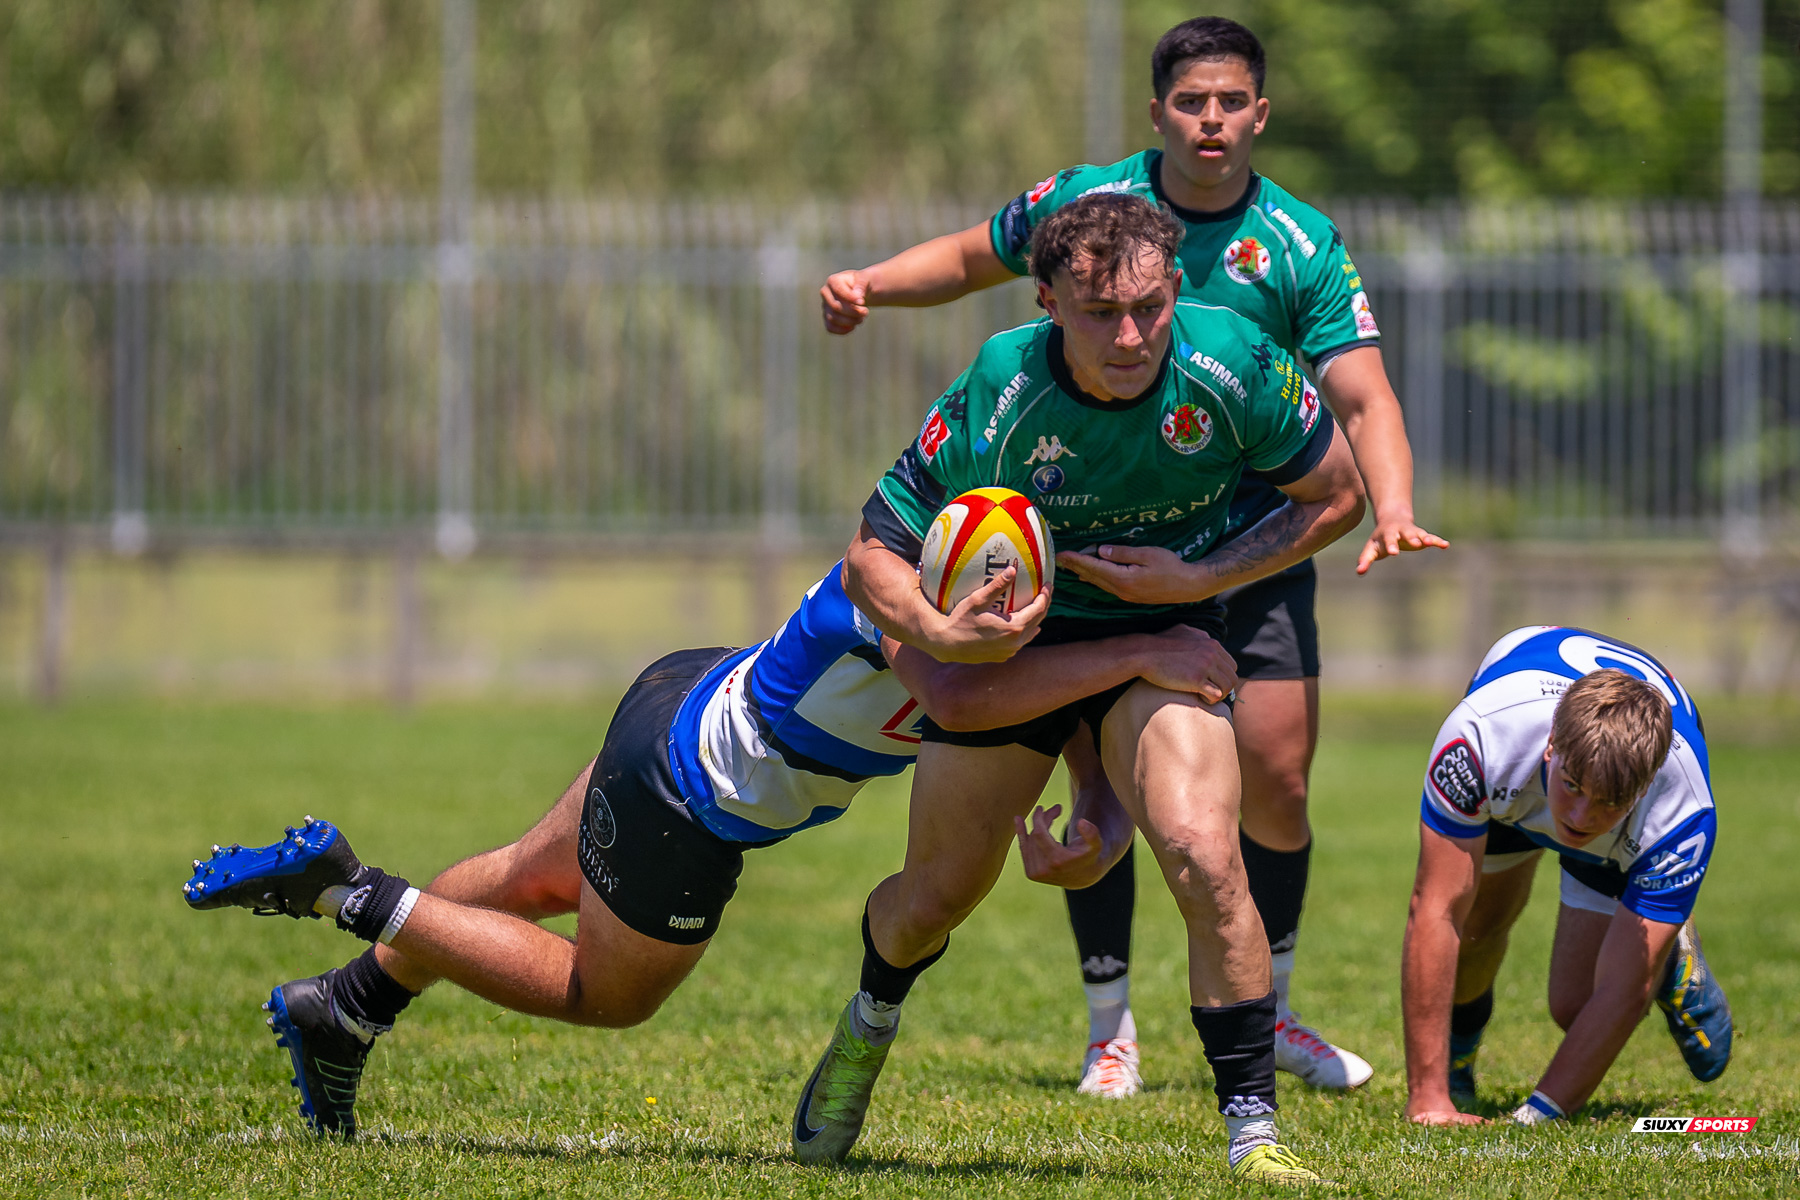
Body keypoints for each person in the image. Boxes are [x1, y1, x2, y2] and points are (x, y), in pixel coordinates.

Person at [818, 15, 1446, 1097]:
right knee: (972, 862)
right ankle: (1109, 1022)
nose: (1131, 330)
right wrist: (872, 282)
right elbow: (974, 254)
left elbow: (1358, 399)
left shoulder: (1294, 250)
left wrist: (1381, 505)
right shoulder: (1063, 250)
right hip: (1066, 580)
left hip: (1235, 538)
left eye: (1230, 100)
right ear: (1157, 111)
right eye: (1190, 101)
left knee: (1268, 784)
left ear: (1261, 110)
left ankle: (1261, 1039)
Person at [182, 561, 1239, 1139]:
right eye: (981, 591)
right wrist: (1149, 645)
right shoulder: (904, 603)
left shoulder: (984, 596)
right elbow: (962, 692)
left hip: (681, 698)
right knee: (609, 992)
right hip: (693, 795)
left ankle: (346, 1011)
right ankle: (351, 894)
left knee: (528, 878)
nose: (999, 608)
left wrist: (1098, 814)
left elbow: (1055, 712)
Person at [791, 193, 1365, 1185]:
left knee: (1200, 852)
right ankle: (867, 1024)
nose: (1132, 334)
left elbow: (1341, 492)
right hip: (1019, 656)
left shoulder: (1232, 364)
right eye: (1101, 313)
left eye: (1150, 306)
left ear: (1176, 286)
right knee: (934, 898)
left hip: (1170, 633)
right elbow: (868, 557)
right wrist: (935, 627)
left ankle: (1253, 1135)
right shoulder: (1001, 388)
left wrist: (1199, 582)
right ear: (1048, 300)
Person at [1401, 626, 1733, 1127]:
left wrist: (1539, 1114)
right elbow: (1435, 910)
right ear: (1552, 745)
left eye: (1606, 802)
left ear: (1644, 787)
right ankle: (1453, 1073)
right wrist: (1427, 1100)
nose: (1579, 817)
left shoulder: (1681, 807)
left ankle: (1669, 947)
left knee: (1577, 1006)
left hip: (1611, 818)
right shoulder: (1481, 737)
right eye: (1573, 787)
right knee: (1476, 927)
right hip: (1514, 783)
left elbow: (1621, 992)